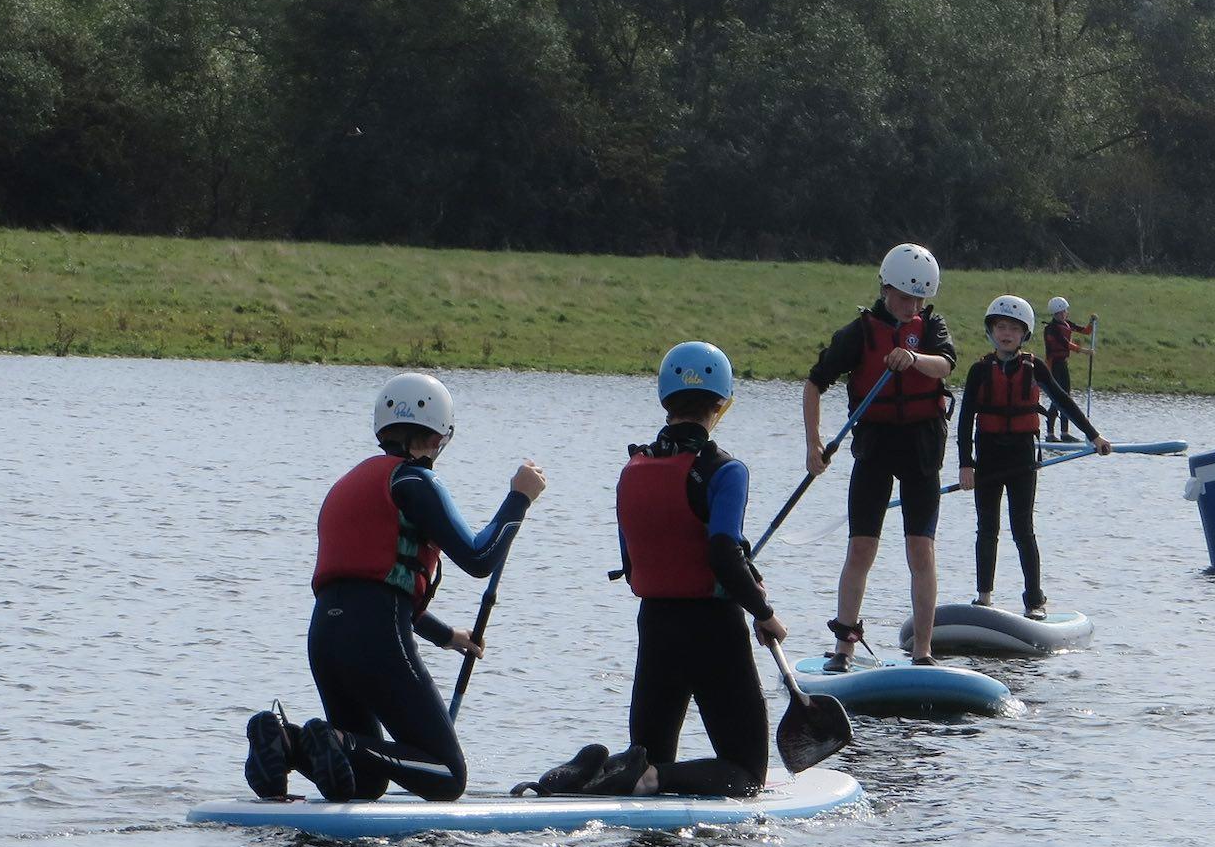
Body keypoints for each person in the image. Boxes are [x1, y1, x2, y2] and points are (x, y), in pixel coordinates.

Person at [244, 372, 546, 802]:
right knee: (447, 776)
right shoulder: (414, 482)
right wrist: (519, 498)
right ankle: (340, 742)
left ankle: (284, 741)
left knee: (363, 781)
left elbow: (371, 585)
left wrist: (447, 636)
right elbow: (479, 559)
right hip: (377, 637)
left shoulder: (348, 485)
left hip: (326, 638)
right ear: (439, 436)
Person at [515, 342, 789, 800]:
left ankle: (599, 770)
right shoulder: (727, 471)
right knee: (745, 774)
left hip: (656, 628)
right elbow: (721, 550)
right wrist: (763, 612)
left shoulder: (633, 469)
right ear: (721, 405)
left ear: (666, 401)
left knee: (647, 752)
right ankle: (652, 778)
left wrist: (740, 569)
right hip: (713, 631)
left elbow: (634, 556)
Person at [802, 244, 955, 670]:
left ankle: (923, 652)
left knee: (920, 551)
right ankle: (844, 647)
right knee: (860, 549)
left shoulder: (931, 327)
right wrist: (813, 443)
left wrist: (913, 357)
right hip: (874, 448)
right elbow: (814, 384)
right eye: (906, 297)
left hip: (922, 450)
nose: (913, 307)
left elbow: (944, 365)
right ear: (886, 289)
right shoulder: (859, 332)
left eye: (920, 299)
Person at [957, 296, 1112, 618]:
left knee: (1022, 529)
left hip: (1022, 458)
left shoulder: (1034, 366)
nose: (1006, 334)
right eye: (1001, 327)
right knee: (987, 528)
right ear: (991, 331)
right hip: (987, 457)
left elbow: (1063, 401)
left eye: (1013, 329)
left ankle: (1034, 600)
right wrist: (965, 464)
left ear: (1024, 334)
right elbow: (964, 420)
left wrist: (1093, 435)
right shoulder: (979, 370)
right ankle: (983, 596)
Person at [1042, 296, 1096, 442]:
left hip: (1063, 364)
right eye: (1065, 310)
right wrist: (1085, 351)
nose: (1067, 312)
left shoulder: (1066, 324)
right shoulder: (1051, 329)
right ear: (1059, 312)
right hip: (1054, 365)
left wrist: (1091, 323)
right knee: (1058, 398)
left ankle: (1064, 433)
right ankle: (1050, 434)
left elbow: (1085, 331)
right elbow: (1065, 344)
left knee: (1066, 397)